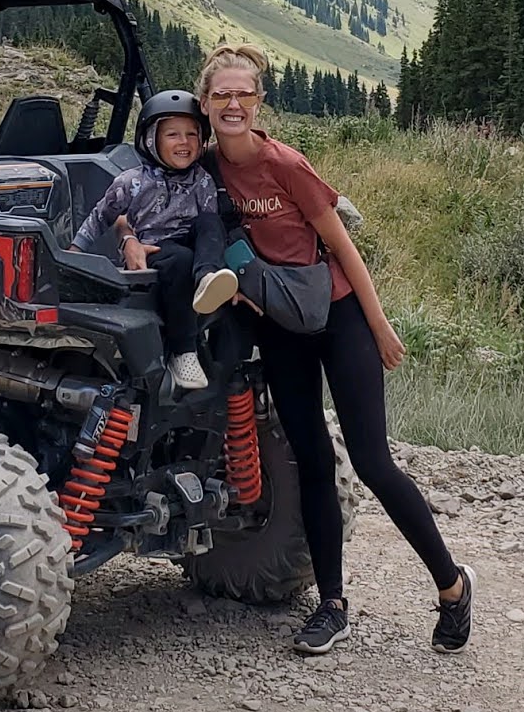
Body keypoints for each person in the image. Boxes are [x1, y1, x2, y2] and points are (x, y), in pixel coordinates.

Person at [197, 43, 475, 656]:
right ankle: (331, 605)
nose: (234, 104)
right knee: (311, 462)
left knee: (373, 462)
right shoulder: (209, 169)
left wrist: (378, 327)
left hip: (340, 315)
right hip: (278, 325)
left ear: (259, 101)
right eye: (223, 95)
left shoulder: (285, 164)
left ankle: (453, 586)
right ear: (206, 103)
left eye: (244, 94)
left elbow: (344, 248)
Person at [70, 90, 239, 390]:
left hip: (193, 249)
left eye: (191, 134)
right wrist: (74, 255)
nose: (184, 142)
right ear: (150, 139)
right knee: (179, 260)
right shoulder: (132, 181)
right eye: (172, 134)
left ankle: (208, 279)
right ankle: (183, 352)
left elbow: (209, 228)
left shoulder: (202, 180)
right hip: (154, 248)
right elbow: (101, 217)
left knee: (211, 223)